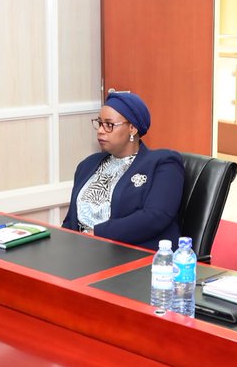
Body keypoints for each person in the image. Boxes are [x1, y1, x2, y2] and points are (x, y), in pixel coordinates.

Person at [61, 91, 182, 250]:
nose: (100, 131)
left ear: (132, 128)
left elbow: (155, 217)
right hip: (83, 252)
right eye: (99, 123)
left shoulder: (163, 163)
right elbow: (71, 221)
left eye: (109, 125)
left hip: (133, 256)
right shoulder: (87, 165)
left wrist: (97, 234)